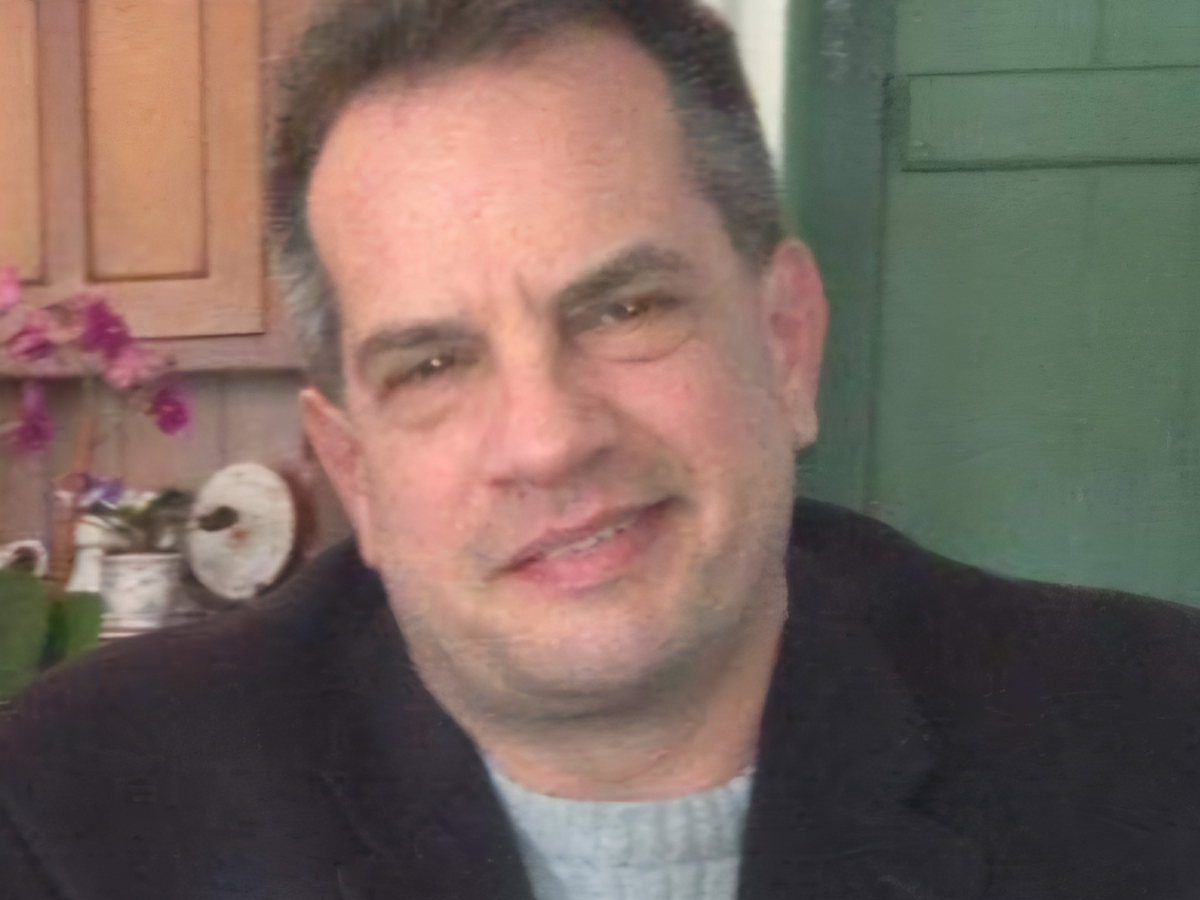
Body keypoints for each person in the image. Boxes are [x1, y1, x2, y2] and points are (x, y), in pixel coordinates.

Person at [3, 0, 1200, 897]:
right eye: (433, 365)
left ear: (785, 344)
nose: (548, 438)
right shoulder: (75, 812)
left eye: (625, 308)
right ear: (355, 474)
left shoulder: (1158, 740)